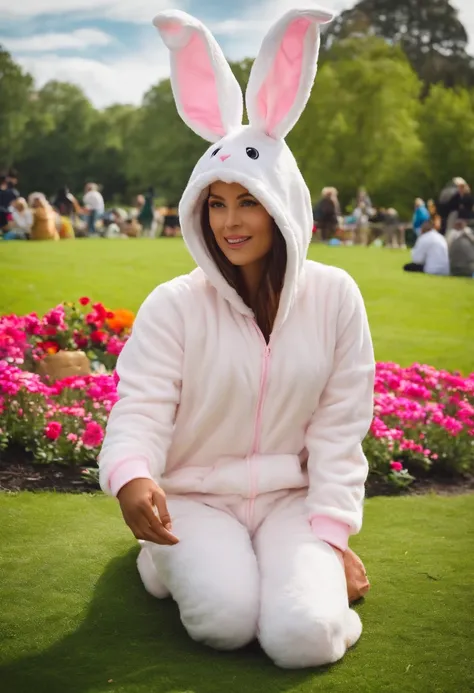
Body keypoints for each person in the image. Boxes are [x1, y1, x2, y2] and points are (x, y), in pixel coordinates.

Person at [99, 7, 374, 670]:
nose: (229, 221)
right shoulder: (174, 305)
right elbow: (140, 405)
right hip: (192, 499)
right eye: (215, 203)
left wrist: (332, 536)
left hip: (291, 503)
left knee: (303, 636)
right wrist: (132, 475)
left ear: (282, 202)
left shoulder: (336, 297)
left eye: (247, 200)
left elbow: (341, 428)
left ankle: (294, 586)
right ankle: (162, 559)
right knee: (223, 621)